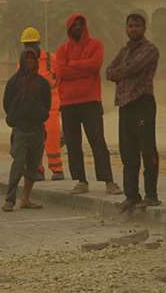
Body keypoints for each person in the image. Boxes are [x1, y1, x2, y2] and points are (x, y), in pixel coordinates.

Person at [54, 14, 122, 195]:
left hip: (91, 102)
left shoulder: (95, 45)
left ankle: (109, 181)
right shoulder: (62, 50)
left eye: (80, 24)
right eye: (74, 25)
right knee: (73, 144)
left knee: (97, 141)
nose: (78, 27)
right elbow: (61, 71)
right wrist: (83, 69)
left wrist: (73, 64)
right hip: (68, 104)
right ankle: (81, 181)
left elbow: (95, 65)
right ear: (69, 28)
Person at [106, 13, 161, 211]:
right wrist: (121, 71)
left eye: (137, 25)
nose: (133, 29)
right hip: (125, 105)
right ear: (126, 28)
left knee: (147, 150)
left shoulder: (150, 50)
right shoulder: (124, 50)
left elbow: (132, 68)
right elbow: (109, 72)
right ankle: (131, 196)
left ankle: (151, 195)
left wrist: (120, 72)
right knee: (128, 153)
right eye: (130, 26)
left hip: (142, 103)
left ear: (144, 28)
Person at [2, 46, 51, 212]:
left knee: (33, 166)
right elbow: (6, 104)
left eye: (32, 58)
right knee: (18, 164)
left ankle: (26, 199)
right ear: (22, 61)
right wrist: (17, 116)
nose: (29, 61)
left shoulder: (42, 83)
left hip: (37, 129)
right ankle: (10, 200)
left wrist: (39, 114)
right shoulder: (13, 82)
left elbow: (47, 104)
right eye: (27, 58)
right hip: (21, 130)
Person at [20, 27, 65, 180]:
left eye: (32, 44)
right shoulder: (22, 63)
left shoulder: (52, 59)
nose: (29, 48)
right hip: (32, 107)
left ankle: (57, 169)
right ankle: (37, 170)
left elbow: (61, 79)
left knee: (52, 138)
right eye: (27, 45)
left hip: (51, 106)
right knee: (34, 141)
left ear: (38, 43)